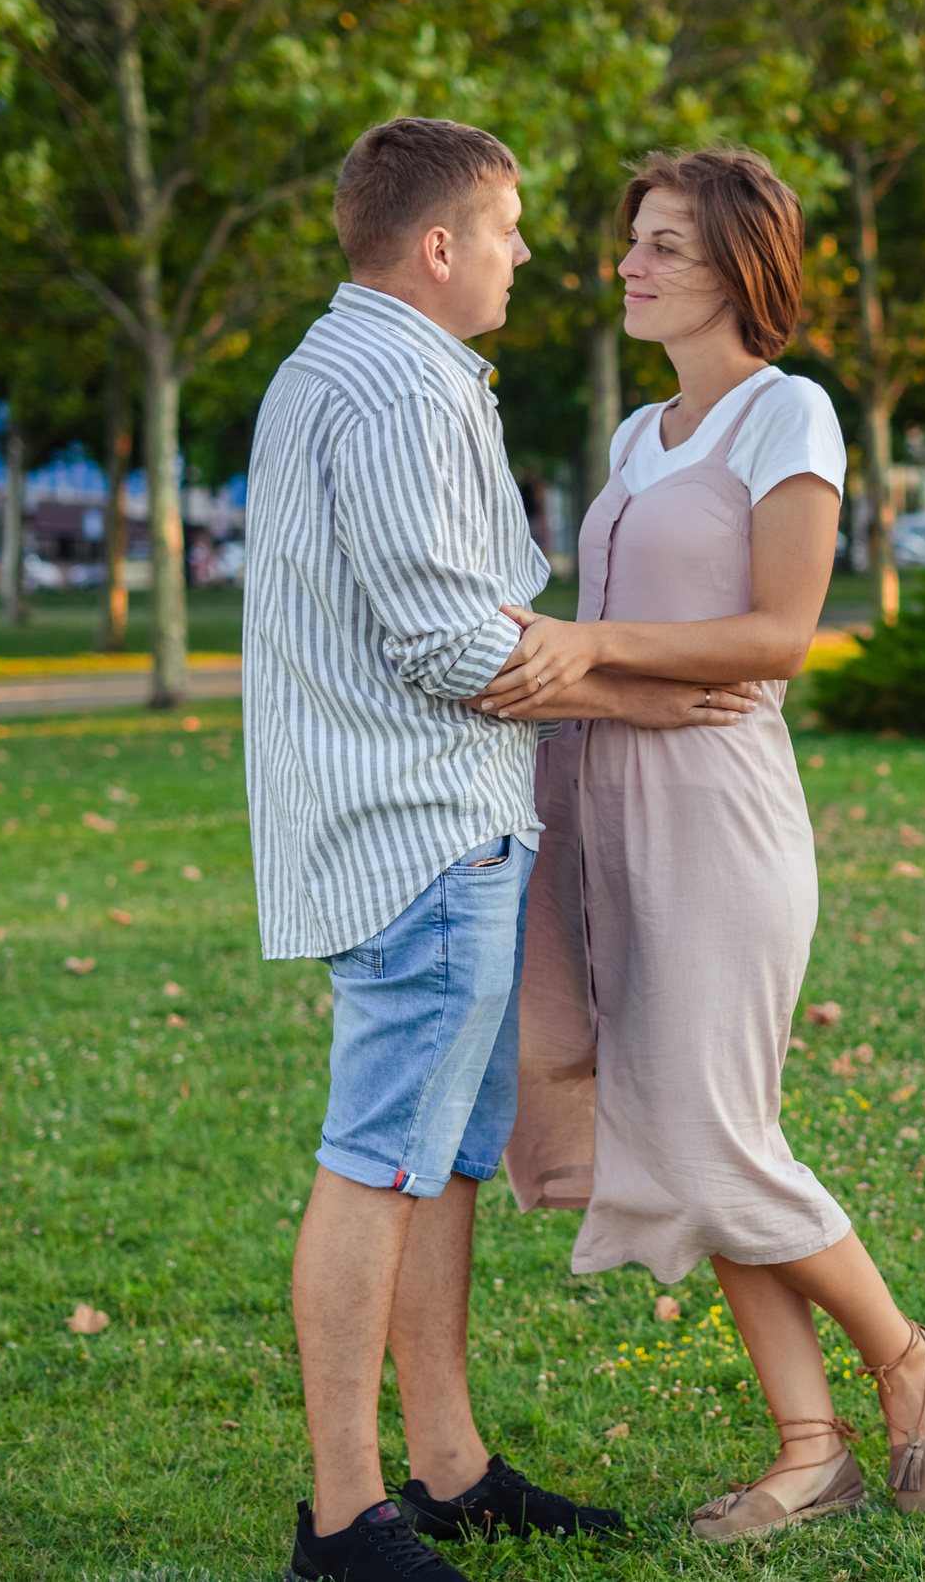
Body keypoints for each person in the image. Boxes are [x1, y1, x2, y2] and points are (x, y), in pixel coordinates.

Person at [244, 117, 758, 1582]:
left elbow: (472, 624)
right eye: (513, 228)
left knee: (447, 1158)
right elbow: (453, 643)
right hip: (421, 829)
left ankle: (451, 1465)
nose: (534, 253)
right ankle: (346, 1519)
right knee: (379, 1160)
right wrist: (649, 689)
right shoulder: (397, 387)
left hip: (444, 820)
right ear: (440, 245)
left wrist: (593, 669)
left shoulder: (347, 365)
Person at [490, 147, 925, 1541]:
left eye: (664, 248)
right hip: (600, 813)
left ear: (741, 270)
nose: (629, 267)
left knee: (707, 1139)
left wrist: (590, 640)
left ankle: (900, 1356)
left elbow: (780, 636)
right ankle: (807, 1444)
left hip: (719, 811)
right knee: (690, 1134)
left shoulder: (790, 416)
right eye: (632, 242)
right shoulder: (642, 434)